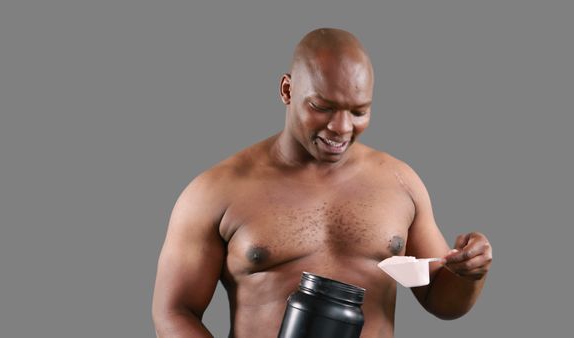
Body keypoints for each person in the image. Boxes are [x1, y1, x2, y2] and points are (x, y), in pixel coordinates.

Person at [152, 28, 492, 338]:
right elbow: (174, 311)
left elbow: (441, 301)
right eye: (322, 107)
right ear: (288, 90)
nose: (341, 127)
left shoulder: (400, 182)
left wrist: (469, 273)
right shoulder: (217, 190)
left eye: (358, 112)